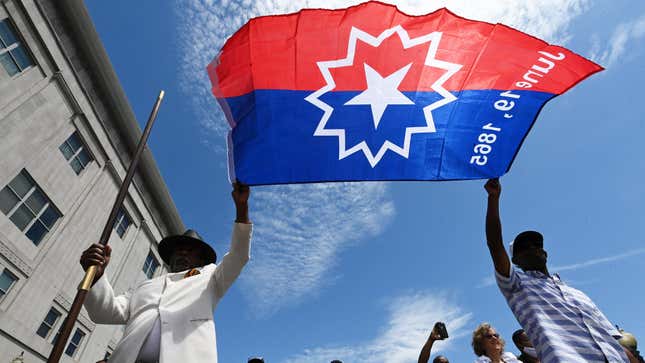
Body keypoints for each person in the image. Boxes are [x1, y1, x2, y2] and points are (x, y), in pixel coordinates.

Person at [80, 183, 252, 363]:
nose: (183, 252)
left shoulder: (211, 277)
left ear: (202, 260)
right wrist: (97, 276)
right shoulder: (143, 287)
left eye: (190, 250)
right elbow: (103, 312)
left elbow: (238, 256)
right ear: (170, 258)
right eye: (178, 250)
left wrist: (242, 209)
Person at [484, 178, 629, 362]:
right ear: (515, 260)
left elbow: (613, 339)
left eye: (537, 244)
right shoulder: (517, 286)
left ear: (545, 251)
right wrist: (493, 198)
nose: (533, 248)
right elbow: (495, 244)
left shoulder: (577, 294)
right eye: (525, 247)